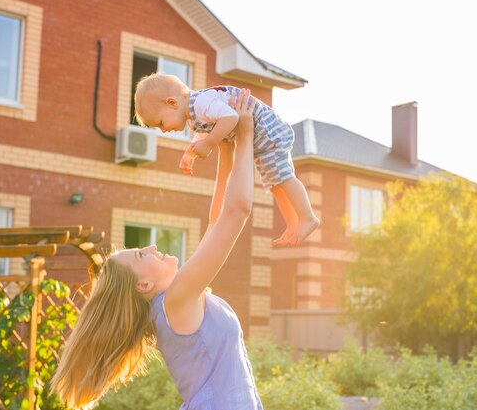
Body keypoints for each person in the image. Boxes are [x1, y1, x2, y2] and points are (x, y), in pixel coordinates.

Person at [51, 89, 263, 410]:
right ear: (144, 285)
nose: (151, 247)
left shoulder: (174, 303)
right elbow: (238, 210)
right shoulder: (174, 302)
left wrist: (224, 145)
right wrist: (245, 135)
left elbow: (218, 217)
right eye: (140, 255)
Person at [134, 73, 320, 246]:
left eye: (160, 123)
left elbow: (230, 117)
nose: (164, 130)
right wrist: (190, 153)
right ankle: (293, 223)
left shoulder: (201, 102)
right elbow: (204, 132)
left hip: (268, 131)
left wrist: (209, 143)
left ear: (172, 103)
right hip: (260, 140)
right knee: (276, 184)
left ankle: (308, 217)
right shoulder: (192, 117)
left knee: (285, 178)